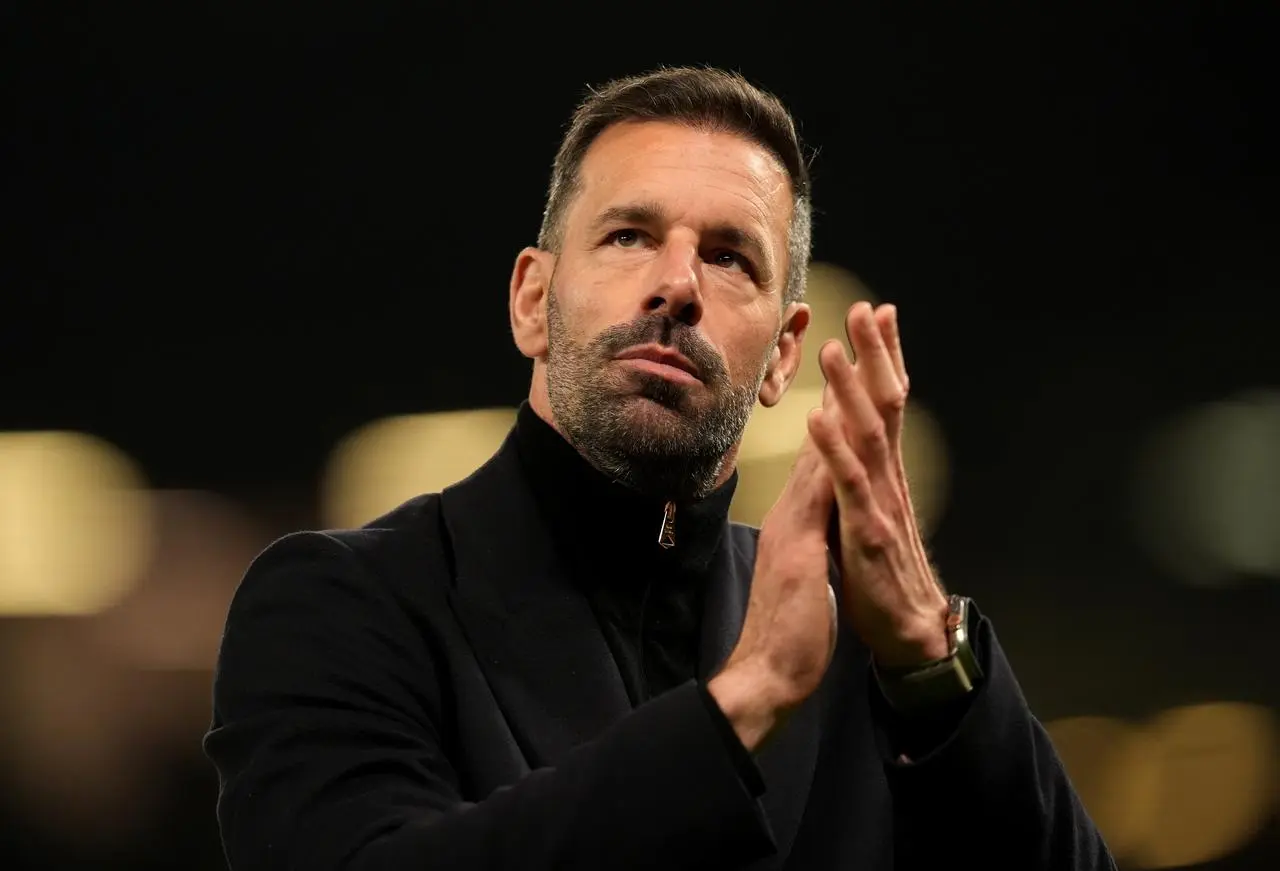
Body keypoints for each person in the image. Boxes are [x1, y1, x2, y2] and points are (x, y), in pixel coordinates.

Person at [204, 66, 1114, 870]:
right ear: (532, 300)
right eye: (630, 236)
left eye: (728, 256)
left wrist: (926, 652)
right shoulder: (342, 603)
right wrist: (748, 697)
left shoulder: (869, 654)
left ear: (785, 358)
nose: (678, 282)